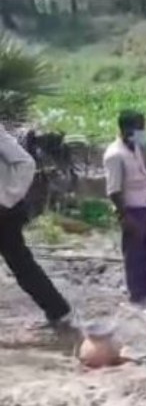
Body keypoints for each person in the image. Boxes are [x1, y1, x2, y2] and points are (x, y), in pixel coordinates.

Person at [0, 123, 74, 328]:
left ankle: (58, 310)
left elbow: (26, 163)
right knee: (22, 265)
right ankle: (58, 309)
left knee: (22, 265)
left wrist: (6, 199)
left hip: (5, 212)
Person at [103, 109, 146, 306]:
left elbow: (143, 178)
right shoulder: (114, 155)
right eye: (140, 127)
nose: (143, 130)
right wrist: (125, 216)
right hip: (131, 209)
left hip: (143, 205)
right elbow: (114, 190)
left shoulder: (135, 148)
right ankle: (136, 295)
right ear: (126, 128)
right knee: (133, 254)